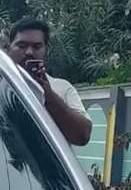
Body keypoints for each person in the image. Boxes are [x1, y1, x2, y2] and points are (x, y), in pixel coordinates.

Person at [6, 17, 92, 146]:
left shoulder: (62, 88)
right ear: (8, 49)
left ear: (46, 49)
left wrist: (48, 95)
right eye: (22, 46)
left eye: (37, 46)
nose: (29, 52)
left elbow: (82, 136)